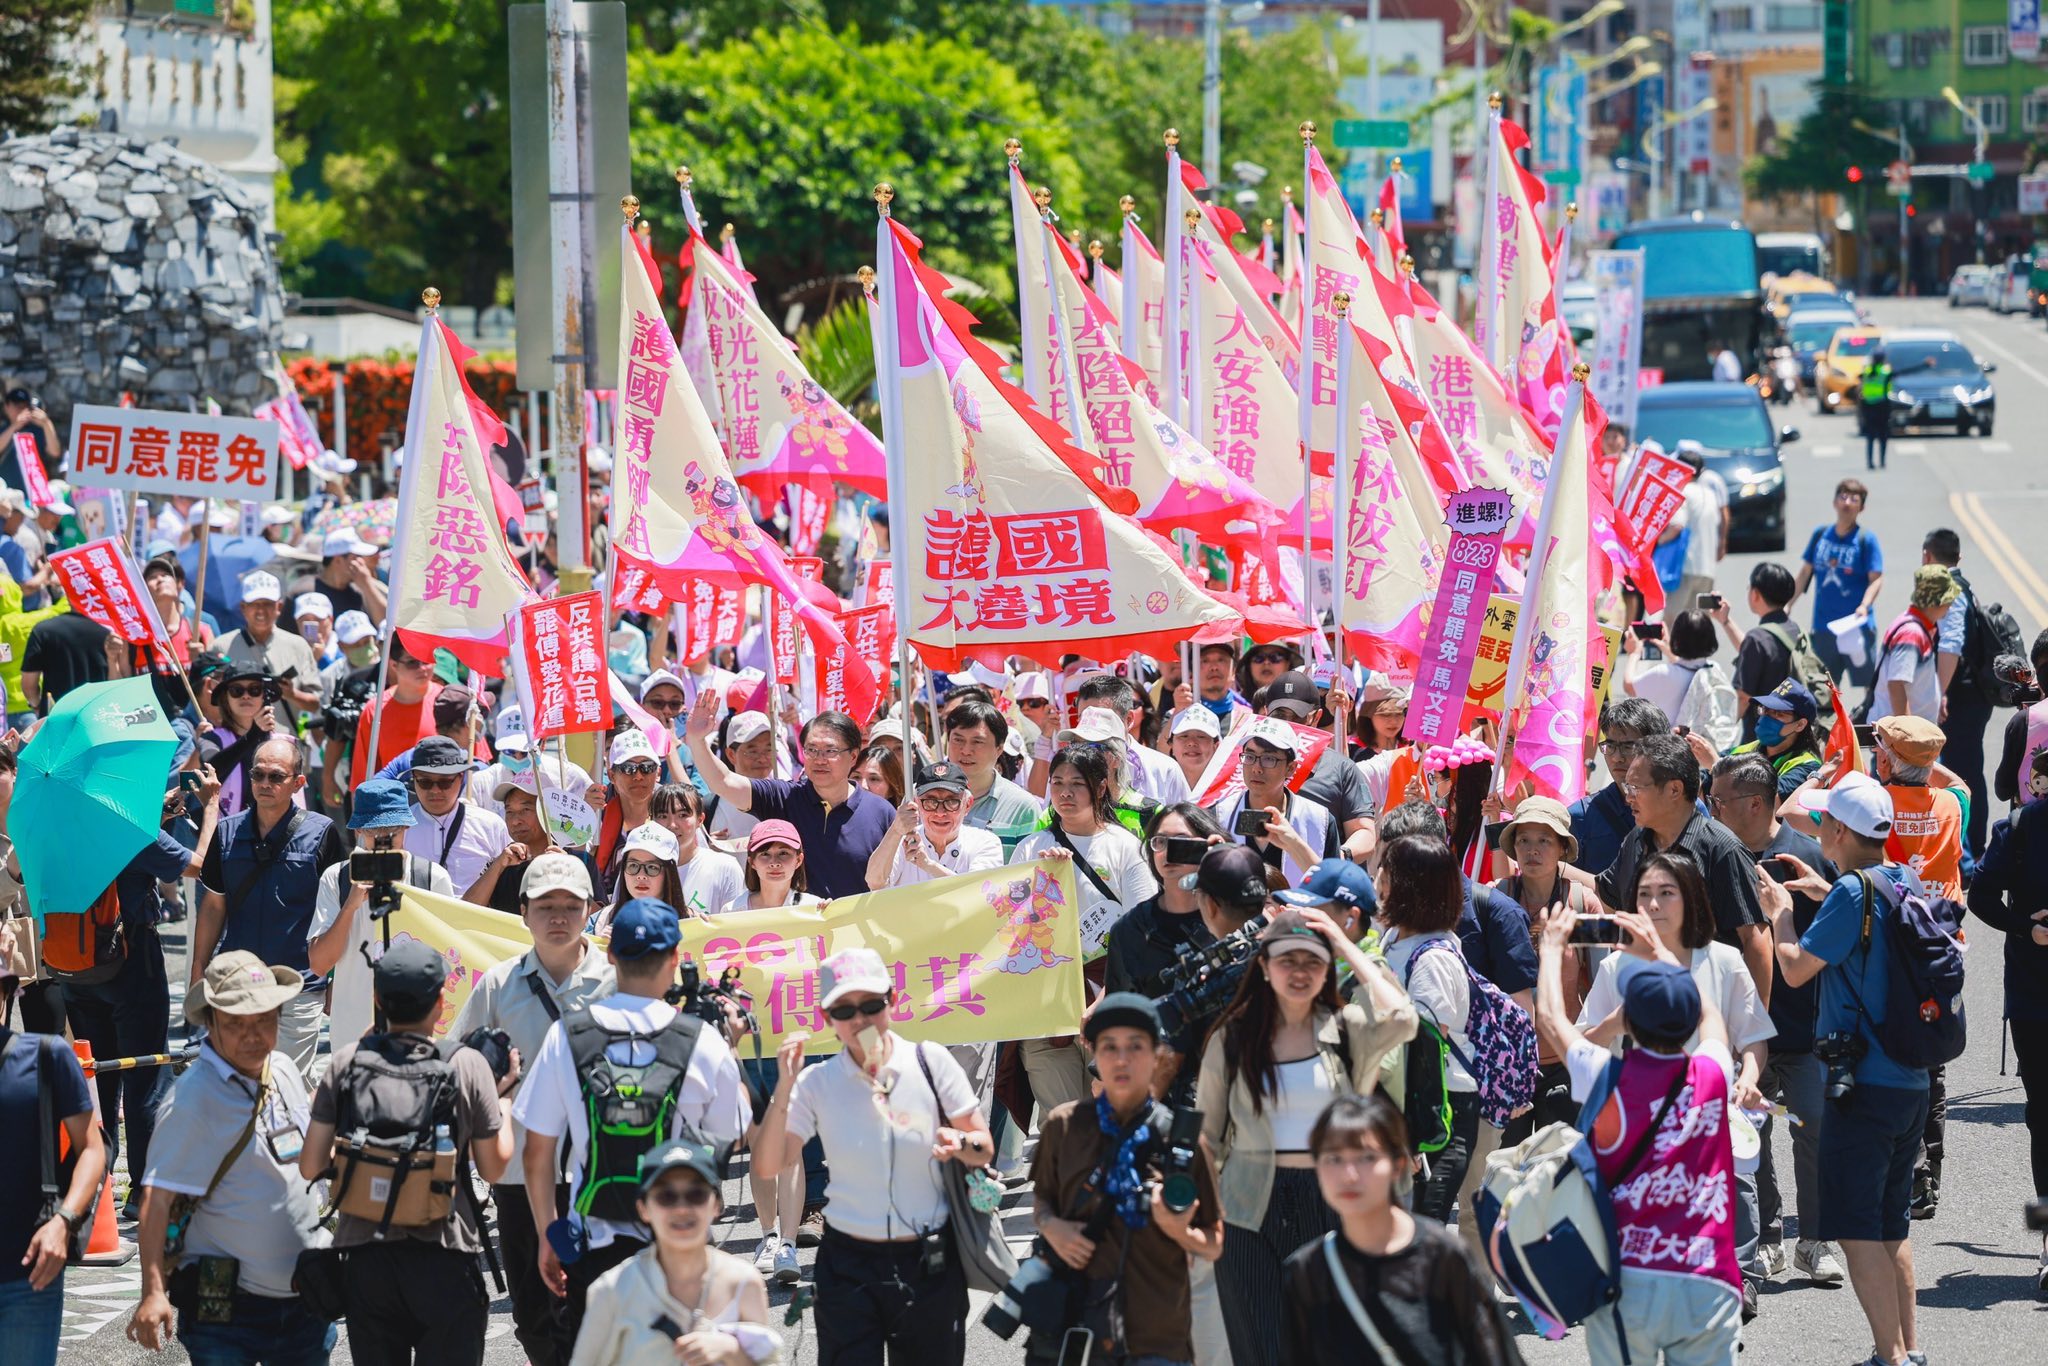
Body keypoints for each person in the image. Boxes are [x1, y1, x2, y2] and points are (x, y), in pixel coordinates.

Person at [515, 897, 748, 1357]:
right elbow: (736, 1131)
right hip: (679, 1239)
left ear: (610, 954)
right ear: (676, 959)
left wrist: (548, 1234)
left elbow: (536, 1152)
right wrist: (733, 1046)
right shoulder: (698, 1038)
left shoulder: (568, 1034)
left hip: (593, 1243)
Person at [751, 947, 993, 1366]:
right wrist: (785, 1087)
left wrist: (959, 1143)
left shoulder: (929, 1061)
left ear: (892, 1001)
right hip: (847, 1261)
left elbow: (982, 1144)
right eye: (844, 1011)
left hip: (927, 1257)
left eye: (871, 1005)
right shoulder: (817, 1081)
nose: (860, 1019)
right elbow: (771, 1164)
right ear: (827, 1019)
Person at [1197, 911, 1416, 1366]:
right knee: (1264, 1348)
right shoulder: (1233, 1036)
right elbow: (1206, 1136)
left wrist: (1342, 943)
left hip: (1334, 1198)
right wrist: (1210, 1214)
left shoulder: (1346, 1027)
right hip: (1247, 1206)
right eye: (1287, 960)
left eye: (1312, 962)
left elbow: (1402, 1017)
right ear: (1263, 966)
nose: (1299, 972)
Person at [1767, 774, 1929, 1366]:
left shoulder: (1850, 896)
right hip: (1910, 1079)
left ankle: (1890, 1360)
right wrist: (1825, 887)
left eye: (1822, 823)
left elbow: (1795, 969)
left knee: (1857, 1229)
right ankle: (1909, 1352)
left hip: (1862, 1083)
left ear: (1837, 829)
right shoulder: (1897, 881)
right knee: (1892, 1228)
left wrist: (1783, 913)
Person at [1534, 913, 1744, 1366]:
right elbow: (1711, 1017)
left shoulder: (1606, 1078)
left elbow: (1552, 1019)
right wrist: (1663, 955)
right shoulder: (1712, 1073)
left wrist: (1551, 951)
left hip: (1629, 1280)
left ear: (1629, 1018)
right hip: (1708, 1276)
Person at [301, 940, 518, 1366]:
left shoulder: (346, 1063)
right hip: (446, 1255)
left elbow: (310, 1164)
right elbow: (493, 1167)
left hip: (366, 1260)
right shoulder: (466, 1064)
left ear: (378, 999)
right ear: (441, 1002)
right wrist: (504, 1101)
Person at [128, 952, 335, 1364]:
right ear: (211, 1022)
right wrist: (153, 1290)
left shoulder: (284, 1069)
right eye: (236, 1024)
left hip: (305, 1300)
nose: (252, 1035)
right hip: (223, 1309)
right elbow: (156, 1201)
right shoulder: (191, 1101)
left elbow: (305, 1156)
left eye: (263, 1020)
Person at [452, 852, 615, 1366]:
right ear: (523, 911)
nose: (560, 917)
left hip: (602, 1172)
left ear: (591, 908)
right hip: (522, 1173)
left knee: (600, 1303)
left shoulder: (618, 978)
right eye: (546, 906)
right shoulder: (498, 984)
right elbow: (461, 1062)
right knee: (532, 1309)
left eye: (572, 904)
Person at [1032, 992, 1225, 1366]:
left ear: (1157, 1056)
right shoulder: (1064, 1125)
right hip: (1078, 1326)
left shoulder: (1182, 1140)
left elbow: (1214, 1241)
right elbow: (1043, 1201)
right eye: (1109, 1047)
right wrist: (1052, 1227)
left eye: (1135, 1047)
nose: (1121, 1059)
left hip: (1158, 1332)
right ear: (1095, 1057)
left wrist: (1180, 1231)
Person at [1707, 753, 1841, 1288]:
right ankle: (1766, 1239)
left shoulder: (1806, 857)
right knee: (1749, 1135)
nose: (1709, 809)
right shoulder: (1715, 856)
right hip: (1738, 1030)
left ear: (1755, 803)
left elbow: (1834, 942)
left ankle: (1814, 1240)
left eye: (1717, 800)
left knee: (1812, 1127)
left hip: (1804, 1030)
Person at [1280, 1093, 1523, 1366]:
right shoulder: (1306, 1273)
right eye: (1333, 1159)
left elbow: (1496, 1356)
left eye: (1366, 1157)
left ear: (1399, 1164)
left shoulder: (1443, 1257)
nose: (1349, 1175)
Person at [193, 737, 349, 1074]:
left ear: (298, 783)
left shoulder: (324, 833)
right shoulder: (225, 832)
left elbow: (341, 914)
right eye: (258, 775)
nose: (265, 784)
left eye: (276, 777)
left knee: (286, 1084)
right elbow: (212, 908)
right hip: (238, 985)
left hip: (300, 985)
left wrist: (338, 980)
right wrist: (198, 969)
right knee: (236, 1085)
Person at [1596, 732, 1774, 1008]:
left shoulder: (1722, 849)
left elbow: (1755, 940)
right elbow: (1609, 904)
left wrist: (1750, 1029)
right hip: (1644, 1012)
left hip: (1708, 1017)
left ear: (1674, 790)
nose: (1628, 798)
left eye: (1635, 788)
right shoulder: (1635, 841)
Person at [567, 1138, 780, 1366]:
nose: (681, 1208)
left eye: (696, 1195)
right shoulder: (612, 1290)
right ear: (643, 1208)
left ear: (717, 1205)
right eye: (666, 1197)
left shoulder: (745, 1282)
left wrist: (731, 1350)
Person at [0, 956, 106, 1365]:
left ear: (7, 997)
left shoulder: (47, 1057)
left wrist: (63, 1220)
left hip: (29, 1276)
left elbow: (93, 1149)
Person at [1966, 776, 2048, 1296]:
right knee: (2043, 1114)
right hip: (2035, 995)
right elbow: (1981, 896)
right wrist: (2027, 927)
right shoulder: (2021, 827)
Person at [686, 693, 892, 898]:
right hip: (798, 928)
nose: (819, 759)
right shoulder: (783, 798)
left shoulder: (881, 813)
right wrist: (697, 740)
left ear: (853, 756)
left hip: (857, 927)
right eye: (812, 750)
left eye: (830, 751)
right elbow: (724, 782)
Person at [305, 778, 457, 1052]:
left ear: (408, 827)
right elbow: (318, 963)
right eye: (376, 832)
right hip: (352, 1034)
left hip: (418, 1033)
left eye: (394, 830)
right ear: (360, 830)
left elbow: (452, 960)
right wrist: (351, 905)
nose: (385, 840)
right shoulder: (338, 878)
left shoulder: (432, 878)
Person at [1374, 833, 1479, 1223]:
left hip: (1438, 1112)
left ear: (1405, 885)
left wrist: (1413, 1135)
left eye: (1386, 868)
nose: (1377, 875)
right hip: (1407, 1106)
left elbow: (1425, 1049)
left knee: (1419, 1236)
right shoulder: (1396, 937)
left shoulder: (1433, 957)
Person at [1491, 797, 1598, 1138]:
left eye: (1544, 841)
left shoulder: (1583, 903)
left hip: (1565, 1062)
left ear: (1562, 849)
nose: (1532, 850)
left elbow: (1601, 984)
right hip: (1508, 1063)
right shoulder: (1497, 898)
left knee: (1558, 1175)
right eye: (1523, 840)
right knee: (1505, 1172)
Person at [1922, 527, 1994, 857]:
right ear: (1958, 557)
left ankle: (1969, 851)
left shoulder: (1949, 589)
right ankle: (1972, 848)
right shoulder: (1964, 585)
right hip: (1973, 697)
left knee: (1958, 775)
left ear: (1926, 557)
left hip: (1960, 697)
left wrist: (1939, 694)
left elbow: (1950, 646)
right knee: (1967, 771)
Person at [1254, 671, 1373, 860]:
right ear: (1266, 713)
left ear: (1316, 717)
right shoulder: (1247, 763)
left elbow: (1365, 832)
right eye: (1279, 715)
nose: (1287, 723)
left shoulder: (1341, 768)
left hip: (1316, 879)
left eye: (1296, 716)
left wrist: (1336, 857)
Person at [1207, 717, 1339, 886]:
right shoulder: (1219, 815)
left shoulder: (1319, 820)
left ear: (1291, 768)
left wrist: (1294, 844)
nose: (1256, 767)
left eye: (1269, 759)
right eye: (1250, 756)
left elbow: (1334, 889)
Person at [1793, 480, 1885, 692]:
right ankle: (1831, 726)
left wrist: (1865, 605)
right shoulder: (1820, 535)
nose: (1847, 503)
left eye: (1854, 499)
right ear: (1834, 502)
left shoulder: (1866, 540)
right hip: (1824, 628)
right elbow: (1805, 572)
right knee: (1824, 689)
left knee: (1870, 687)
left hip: (1856, 629)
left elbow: (1876, 579)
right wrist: (1789, 603)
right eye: (1843, 497)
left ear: (1861, 508)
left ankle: (1870, 724)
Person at [1570, 697, 1672, 878]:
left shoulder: (1685, 808)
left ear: (1658, 747)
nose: (1617, 757)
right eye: (1610, 745)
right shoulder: (1581, 816)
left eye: (1628, 746)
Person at [402, 734, 511, 896]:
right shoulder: (399, 828)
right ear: (414, 780)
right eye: (425, 782)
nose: (435, 790)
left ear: (461, 778)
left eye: (445, 782)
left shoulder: (491, 825)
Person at [866, 760, 1002, 889]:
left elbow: (980, 893)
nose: (940, 812)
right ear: (917, 803)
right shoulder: (902, 841)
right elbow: (874, 883)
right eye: (930, 802)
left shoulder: (985, 842)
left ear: (967, 805)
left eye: (951, 802)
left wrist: (928, 865)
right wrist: (896, 830)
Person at [1622, 609, 1740, 753]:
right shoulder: (1713, 670)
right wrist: (1667, 648)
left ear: (1676, 639)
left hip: (1668, 754)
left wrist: (1633, 653)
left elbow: (1629, 686)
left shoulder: (1663, 674)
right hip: (1704, 751)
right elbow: (1688, 666)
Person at [215, 572, 322, 724]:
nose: (261, 610)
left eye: (267, 604)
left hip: (285, 743)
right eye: (255, 604)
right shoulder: (221, 646)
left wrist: (292, 694)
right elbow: (210, 699)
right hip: (237, 743)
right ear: (243, 607)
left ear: (279, 607)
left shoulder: (298, 646)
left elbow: (315, 704)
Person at [941, 697, 1044, 852]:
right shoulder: (921, 796)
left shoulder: (1023, 807)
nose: (966, 750)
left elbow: (1033, 868)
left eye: (977, 742)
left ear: (999, 749)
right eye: (958, 740)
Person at [1075, 670, 1190, 804]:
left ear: (1128, 720)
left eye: (1104, 718)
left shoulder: (1164, 769)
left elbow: (1185, 821)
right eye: (1084, 718)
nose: (1092, 725)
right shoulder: (1067, 771)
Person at [350, 636, 450, 788]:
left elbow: (476, 764)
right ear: (393, 665)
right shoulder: (375, 711)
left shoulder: (451, 702)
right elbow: (362, 780)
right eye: (412, 662)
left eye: (427, 659)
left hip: (443, 805)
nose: (422, 668)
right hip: (392, 806)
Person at [198, 663, 292, 821]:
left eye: (254, 689)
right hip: (225, 834)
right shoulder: (212, 738)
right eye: (237, 690)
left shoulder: (284, 743)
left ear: (265, 696)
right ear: (226, 698)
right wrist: (254, 734)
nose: (246, 696)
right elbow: (208, 773)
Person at [1868, 565, 1959, 726]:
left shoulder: (1915, 624)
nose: (1951, 604)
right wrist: (1909, 736)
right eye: (1948, 599)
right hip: (1901, 742)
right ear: (1935, 603)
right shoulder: (1912, 634)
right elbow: (1896, 684)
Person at [649, 784, 746, 918]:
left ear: (700, 820)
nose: (672, 825)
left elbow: (735, 927)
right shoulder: (636, 867)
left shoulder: (726, 868)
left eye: (682, 815)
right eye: (662, 816)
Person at [1733, 562, 1803, 738]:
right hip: (1793, 731)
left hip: (1762, 736)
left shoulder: (1756, 639)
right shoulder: (1795, 630)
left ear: (1755, 594)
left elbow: (1743, 697)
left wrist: (1727, 729)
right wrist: (1726, 621)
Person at [1726, 678, 1826, 798]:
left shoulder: (1808, 765)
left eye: (1779, 714)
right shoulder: (1746, 749)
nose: (1766, 718)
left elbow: (1766, 800)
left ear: (1800, 725)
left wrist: (1719, 770)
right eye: (1766, 710)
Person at [593, 729, 664, 894]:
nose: (638, 776)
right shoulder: (596, 817)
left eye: (647, 767)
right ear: (611, 776)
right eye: (628, 768)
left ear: (658, 773)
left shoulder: (675, 814)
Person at [372, 683, 484, 784]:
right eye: (480, 714)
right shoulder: (479, 771)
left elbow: (374, 787)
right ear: (468, 722)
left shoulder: (408, 758)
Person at [592, 823, 686, 936]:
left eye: (652, 867)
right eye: (633, 866)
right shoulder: (598, 923)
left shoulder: (692, 922)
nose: (641, 875)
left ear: (670, 873)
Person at [701, 709, 775, 849]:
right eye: (752, 751)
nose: (762, 758)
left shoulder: (787, 800)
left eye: (768, 749)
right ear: (731, 755)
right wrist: (706, 850)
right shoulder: (709, 807)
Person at [717, 821, 825, 913]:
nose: (774, 863)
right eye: (765, 854)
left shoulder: (814, 908)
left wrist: (834, 917)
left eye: (783, 853)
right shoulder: (731, 911)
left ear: (798, 860)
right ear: (752, 862)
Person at [19, 604, 109, 713]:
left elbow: (28, 684)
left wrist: (37, 706)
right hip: (99, 712)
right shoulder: (112, 631)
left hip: (56, 714)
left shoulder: (43, 630)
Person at [304, 528, 388, 626]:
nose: (361, 562)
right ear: (338, 560)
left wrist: (367, 585)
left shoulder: (361, 591)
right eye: (356, 557)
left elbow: (386, 626)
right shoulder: (305, 592)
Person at [1166, 703, 1220, 791]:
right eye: (1184, 736)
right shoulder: (1158, 786)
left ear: (1216, 746)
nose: (1192, 742)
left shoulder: (1230, 791)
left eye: (1201, 737)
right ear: (1171, 745)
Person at [1858, 346, 1894, 470]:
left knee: (1870, 437)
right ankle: (1882, 461)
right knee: (1883, 436)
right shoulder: (1885, 372)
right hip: (1882, 408)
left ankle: (1870, 462)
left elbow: (1860, 386)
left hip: (1868, 408)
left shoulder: (1866, 371)